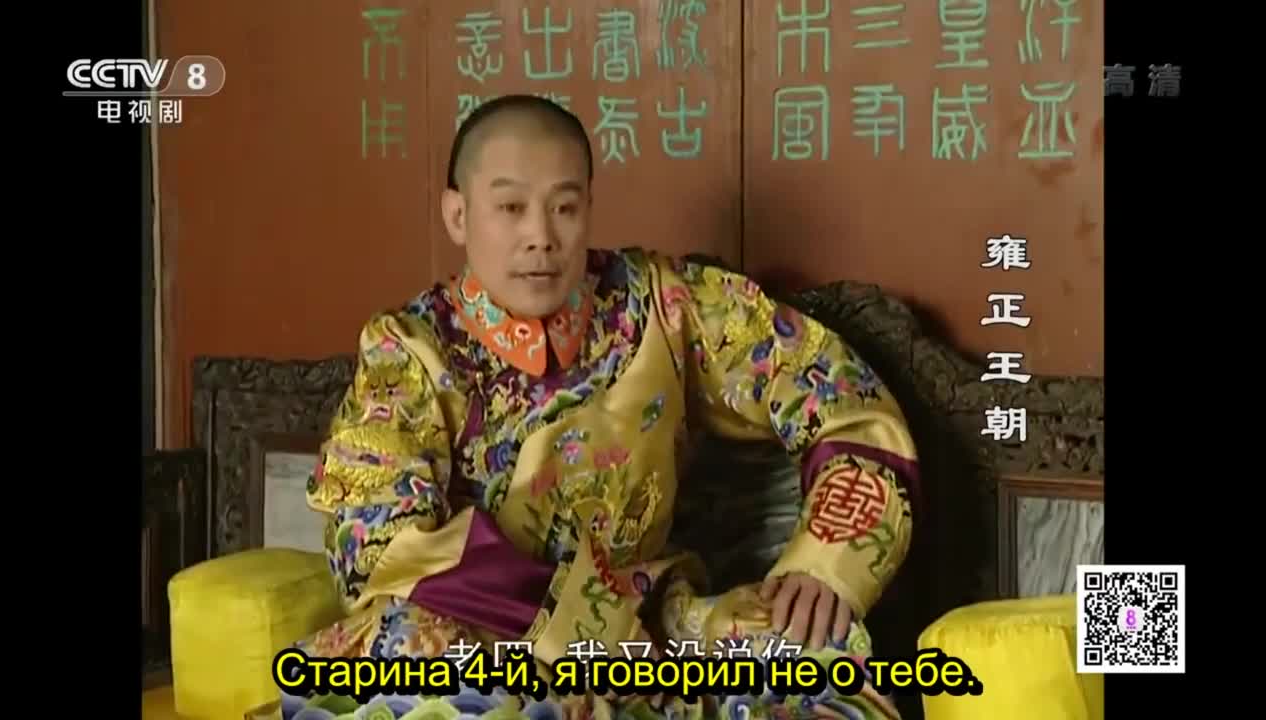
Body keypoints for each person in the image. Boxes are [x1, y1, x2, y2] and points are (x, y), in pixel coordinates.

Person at [274, 94, 918, 720]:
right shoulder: (410, 350)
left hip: (653, 629)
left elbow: (840, 395)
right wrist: (581, 623)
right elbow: (379, 542)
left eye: (564, 207)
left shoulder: (663, 305)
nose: (540, 237)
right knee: (415, 667)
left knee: (819, 655)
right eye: (510, 207)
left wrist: (823, 567)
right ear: (458, 215)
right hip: (482, 633)